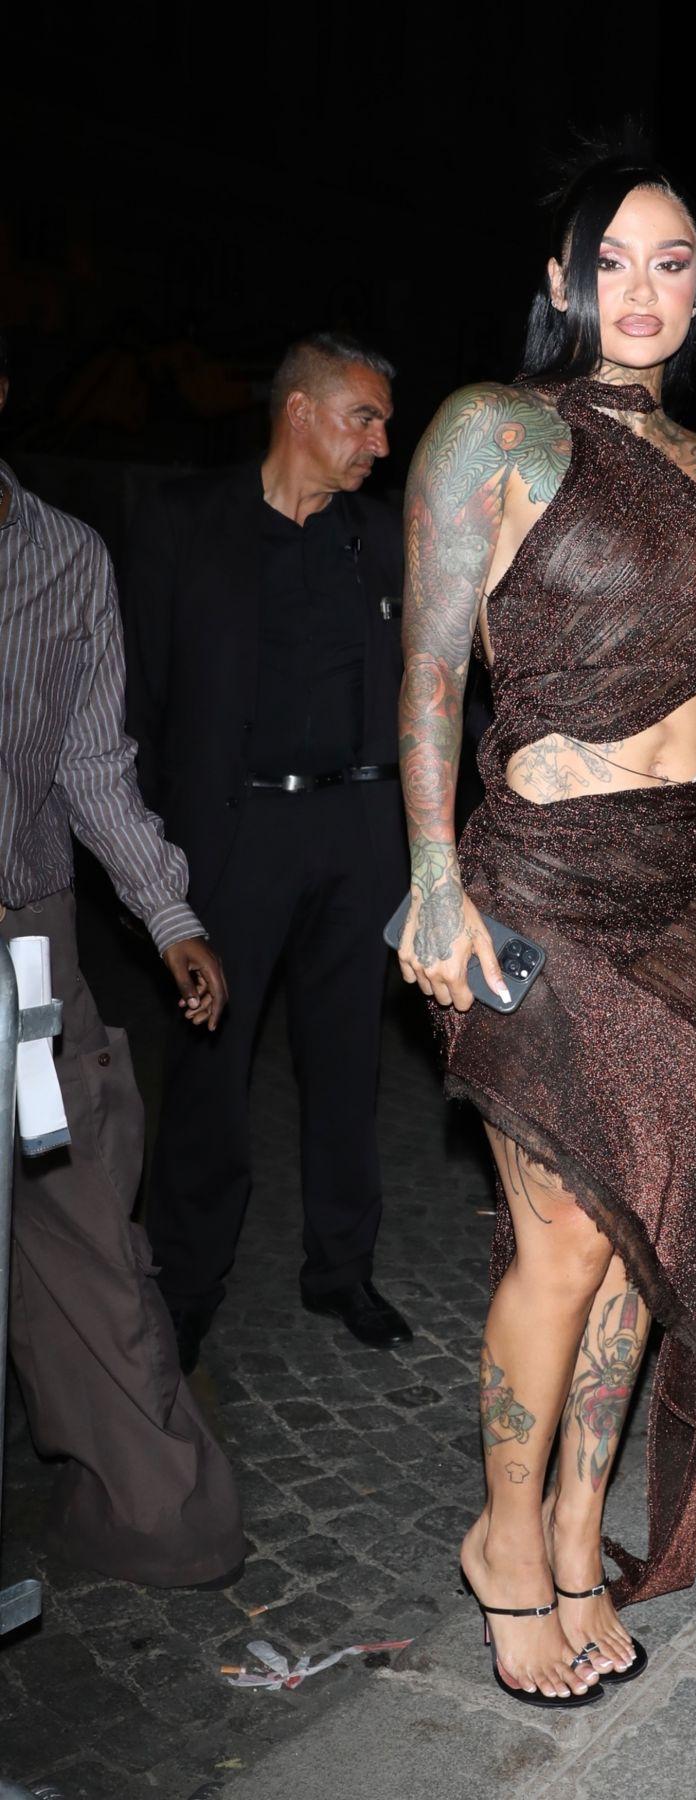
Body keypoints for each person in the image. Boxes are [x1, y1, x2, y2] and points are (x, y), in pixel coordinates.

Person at [397, 154, 696, 1707]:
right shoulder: (493, 429)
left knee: (643, 1245)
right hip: (545, 884)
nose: (644, 289)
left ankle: (580, 1535)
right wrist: (431, 873)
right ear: (564, 282)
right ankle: (503, 1541)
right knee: (566, 1237)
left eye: (674, 261)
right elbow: (431, 669)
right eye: (613, 261)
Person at [0, 327, 245, 1587]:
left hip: (24, 953)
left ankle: (155, 1513)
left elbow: (93, 763)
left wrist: (169, 915)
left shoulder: (65, 556)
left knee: (72, 1199)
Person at [122, 333, 411, 1371]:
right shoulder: (182, 523)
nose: (380, 444)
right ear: (300, 412)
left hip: (358, 831)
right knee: (211, 1068)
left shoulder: (385, 538)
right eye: (363, 419)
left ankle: (341, 1267)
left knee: (348, 1062)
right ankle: (187, 1281)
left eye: (384, 424)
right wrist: (154, 850)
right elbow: (139, 697)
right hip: (232, 834)